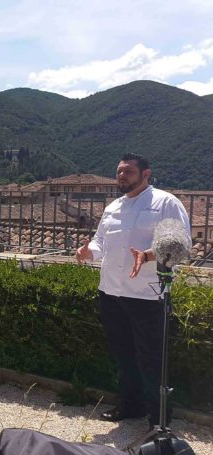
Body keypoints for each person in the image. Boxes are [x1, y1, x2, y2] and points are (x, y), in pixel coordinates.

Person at [76, 152, 190, 426]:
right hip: (111, 292)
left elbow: (180, 244)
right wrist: (88, 252)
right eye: (119, 171)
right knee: (124, 355)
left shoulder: (165, 203)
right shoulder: (113, 207)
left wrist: (148, 255)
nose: (121, 176)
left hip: (147, 295)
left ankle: (159, 419)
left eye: (128, 171)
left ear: (145, 174)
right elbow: (100, 242)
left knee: (151, 358)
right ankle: (130, 406)